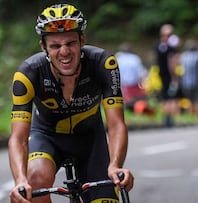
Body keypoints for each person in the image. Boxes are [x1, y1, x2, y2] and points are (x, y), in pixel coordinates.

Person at [8, 4, 134, 203]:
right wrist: (20, 180)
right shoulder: (28, 73)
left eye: (70, 43)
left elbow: (116, 124)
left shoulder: (104, 64)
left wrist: (115, 165)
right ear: (44, 47)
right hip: (47, 136)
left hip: (91, 139)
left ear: (82, 40)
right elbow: (18, 137)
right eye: (55, 46)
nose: (64, 52)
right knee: (35, 181)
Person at [155, 24, 182, 127]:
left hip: (161, 74)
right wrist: (175, 77)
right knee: (173, 98)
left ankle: (166, 119)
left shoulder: (158, 45)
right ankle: (172, 120)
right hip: (170, 76)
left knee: (165, 97)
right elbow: (172, 62)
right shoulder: (171, 48)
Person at [115, 42, 148, 111]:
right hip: (134, 84)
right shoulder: (135, 58)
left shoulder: (118, 58)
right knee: (137, 99)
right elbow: (141, 73)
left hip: (123, 84)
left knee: (124, 100)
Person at [180, 39, 198, 117]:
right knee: (197, 100)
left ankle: (191, 116)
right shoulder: (197, 56)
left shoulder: (182, 57)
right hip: (196, 82)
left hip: (185, 82)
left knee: (189, 101)